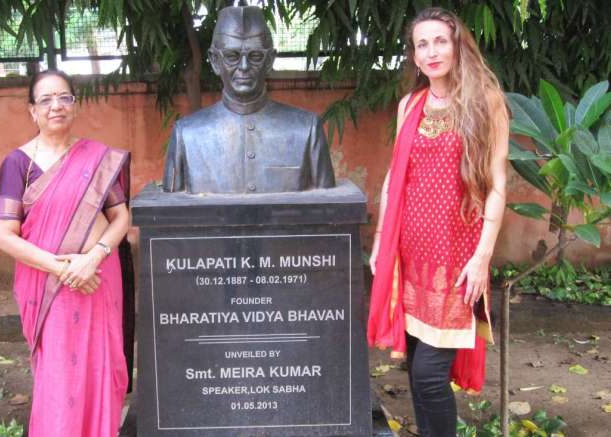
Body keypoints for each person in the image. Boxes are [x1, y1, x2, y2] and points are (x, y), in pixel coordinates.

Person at [367, 7, 508, 436]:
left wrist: (483, 258)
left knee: (430, 374)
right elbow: (396, 175)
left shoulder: (486, 102)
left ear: (457, 44)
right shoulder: (410, 104)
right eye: (421, 44)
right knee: (416, 372)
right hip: (409, 256)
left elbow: (497, 186)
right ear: (413, 55)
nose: (431, 52)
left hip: (455, 261)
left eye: (440, 41)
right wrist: (379, 243)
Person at [0, 70, 135, 437]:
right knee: (59, 375)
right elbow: (4, 236)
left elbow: (120, 216)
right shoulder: (18, 163)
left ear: (75, 104)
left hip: (98, 280)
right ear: (32, 111)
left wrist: (93, 259)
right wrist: (62, 268)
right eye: (46, 100)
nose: (56, 106)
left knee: (99, 369)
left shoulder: (98, 159)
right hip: (49, 287)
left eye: (64, 97)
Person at [163, 5, 335, 194]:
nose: (244, 66)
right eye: (232, 56)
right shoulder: (186, 134)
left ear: (269, 60)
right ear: (214, 61)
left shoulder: (307, 129)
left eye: (255, 56)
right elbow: (169, 212)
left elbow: (329, 208)